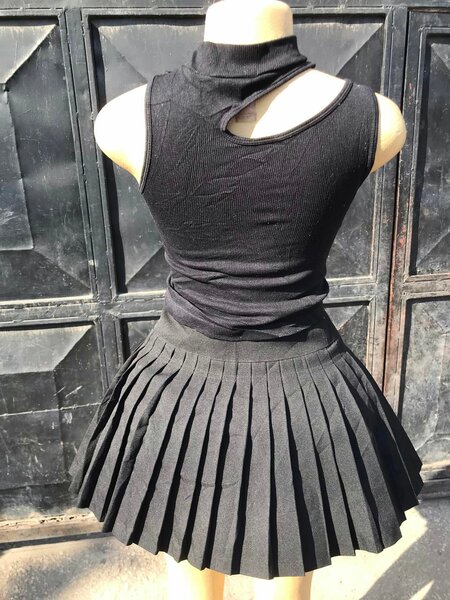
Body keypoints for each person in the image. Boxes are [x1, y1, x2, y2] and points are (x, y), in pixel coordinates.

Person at [69, 1, 423, 599]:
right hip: (302, 389)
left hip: (180, 385)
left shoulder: (125, 116)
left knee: (195, 572)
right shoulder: (375, 116)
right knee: (276, 576)